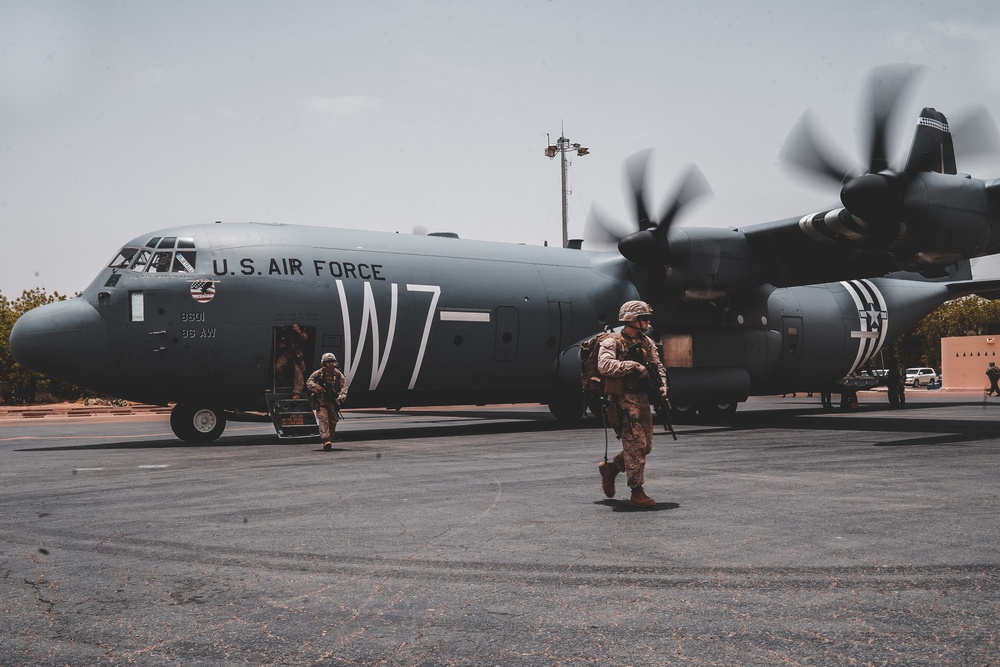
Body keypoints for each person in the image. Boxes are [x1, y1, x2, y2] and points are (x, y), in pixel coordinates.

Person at [596, 300, 669, 508]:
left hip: (643, 398)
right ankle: (637, 491)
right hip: (623, 399)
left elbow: (657, 366)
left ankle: (611, 469)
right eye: (643, 318)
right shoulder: (612, 341)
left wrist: (663, 386)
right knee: (636, 446)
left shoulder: (647, 343)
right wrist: (633, 366)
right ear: (632, 320)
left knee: (645, 446)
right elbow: (604, 366)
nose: (647, 322)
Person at [306, 352, 349, 451]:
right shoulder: (319, 373)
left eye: (332, 361)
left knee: (333, 420)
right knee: (323, 419)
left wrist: (341, 397)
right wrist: (318, 388)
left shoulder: (338, 374)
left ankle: (330, 438)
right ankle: (326, 440)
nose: (330, 363)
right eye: (328, 362)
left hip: (332, 402)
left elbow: (344, 386)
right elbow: (309, 382)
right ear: (323, 363)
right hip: (321, 401)